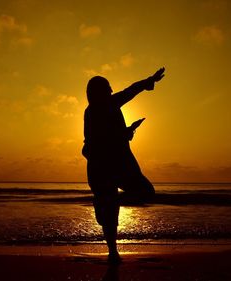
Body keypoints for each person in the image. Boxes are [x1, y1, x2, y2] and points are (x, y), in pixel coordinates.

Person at [82, 67, 165, 263]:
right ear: (100, 91)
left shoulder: (94, 110)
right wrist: (148, 81)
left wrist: (127, 131)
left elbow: (104, 137)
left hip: (102, 166)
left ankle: (113, 252)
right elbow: (130, 91)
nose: (112, 91)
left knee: (111, 210)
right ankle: (113, 252)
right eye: (108, 88)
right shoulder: (105, 105)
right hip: (111, 165)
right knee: (143, 193)